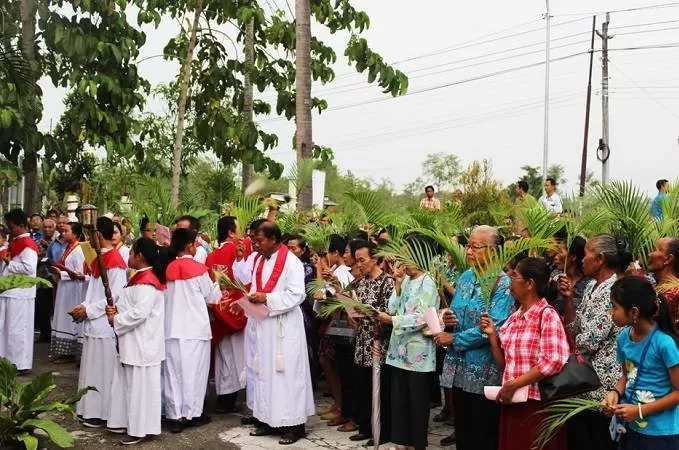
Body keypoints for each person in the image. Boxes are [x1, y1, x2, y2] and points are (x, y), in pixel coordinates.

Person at [434, 225, 515, 450]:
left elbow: (495, 325)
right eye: (468, 246)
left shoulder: (503, 284)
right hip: (458, 365)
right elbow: (458, 310)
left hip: (483, 368)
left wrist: (454, 339)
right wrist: (450, 319)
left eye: (475, 247)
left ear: (492, 250)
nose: (469, 251)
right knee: (463, 426)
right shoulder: (466, 277)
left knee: (482, 428)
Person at [480, 257, 570, 450]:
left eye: (515, 277)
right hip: (513, 400)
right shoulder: (514, 317)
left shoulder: (547, 315)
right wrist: (492, 339)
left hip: (537, 404)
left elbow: (553, 361)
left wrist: (515, 384)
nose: (510, 281)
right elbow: (505, 364)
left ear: (530, 284)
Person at [242, 222, 314, 445]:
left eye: (259, 240)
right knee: (264, 371)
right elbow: (256, 288)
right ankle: (266, 419)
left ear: (274, 239)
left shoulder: (291, 262)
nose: (256, 245)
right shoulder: (260, 260)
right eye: (254, 240)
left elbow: (297, 294)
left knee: (287, 375)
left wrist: (268, 298)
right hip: (264, 325)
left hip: (284, 327)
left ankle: (294, 425)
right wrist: (247, 302)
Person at [560, 234, 626, 450]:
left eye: (587, 254)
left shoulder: (612, 291)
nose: (581, 259)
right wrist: (569, 298)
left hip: (602, 385)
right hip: (585, 382)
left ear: (600, 259)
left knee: (596, 441)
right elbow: (575, 326)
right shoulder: (591, 287)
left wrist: (570, 343)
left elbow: (588, 340)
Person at [604, 276, 679, 450]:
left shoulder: (664, 344)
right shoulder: (624, 337)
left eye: (614, 307)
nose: (611, 313)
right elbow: (627, 375)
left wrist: (639, 411)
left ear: (634, 312)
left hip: (661, 433)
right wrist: (615, 392)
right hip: (631, 427)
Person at [379, 238, 440, 450]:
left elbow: (424, 317)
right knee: (399, 400)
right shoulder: (405, 280)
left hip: (418, 353)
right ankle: (400, 441)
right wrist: (396, 284)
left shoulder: (428, 282)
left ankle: (417, 444)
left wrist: (392, 321)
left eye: (408, 255)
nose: (404, 261)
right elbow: (393, 307)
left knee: (417, 402)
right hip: (398, 349)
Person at [105, 238, 167, 445]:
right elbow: (128, 304)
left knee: (141, 388)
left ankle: (141, 428)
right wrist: (116, 310)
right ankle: (129, 422)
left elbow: (140, 313)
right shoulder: (138, 278)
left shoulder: (147, 281)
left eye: (131, 252)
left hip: (143, 344)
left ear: (140, 256)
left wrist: (117, 319)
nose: (129, 256)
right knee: (131, 385)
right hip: (134, 341)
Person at [71, 217, 128, 428]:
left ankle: (102, 412)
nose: (87, 239)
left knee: (104, 369)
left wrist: (89, 310)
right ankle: (89, 408)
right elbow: (94, 292)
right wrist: (82, 306)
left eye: (89, 235)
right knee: (92, 368)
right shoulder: (99, 259)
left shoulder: (115, 262)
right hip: (94, 321)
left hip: (105, 323)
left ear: (98, 235)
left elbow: (115, 297)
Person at [164, 227, 221, 433]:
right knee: (194, 374)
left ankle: (174, 415)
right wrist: (218, 282)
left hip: (171, 329)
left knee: (173, 374)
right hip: (195, 329)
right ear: (190, 246)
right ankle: (192, 413)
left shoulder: (168, 268)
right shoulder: (199, 270)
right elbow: (212, 298)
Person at [348, 240, 394, 446]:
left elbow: (390, 313)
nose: (359, 265)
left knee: (381, 388)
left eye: (362, 260)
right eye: (357, 261)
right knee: (363, 385)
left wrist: (372, 315)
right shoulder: (360, 282)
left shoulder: (388, 282)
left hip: (380, 343)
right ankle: (365, 426)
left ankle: (383, 430)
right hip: (362, 340)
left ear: (375, 259)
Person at [206, 216, 248, 414]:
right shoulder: (238, 250)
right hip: (238, 308)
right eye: (239, 228)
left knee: (224, 355)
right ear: (231, 232)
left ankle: (225, 397)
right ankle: (238, 396)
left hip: (220, 309)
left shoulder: (211, 256)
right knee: (239, 355)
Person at [0, 209, 39, 374]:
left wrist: (10, 263)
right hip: (10, 292)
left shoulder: (28, 245)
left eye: (12, 226)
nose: (10, 230)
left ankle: (19, 363)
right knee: (7, 329)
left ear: (22, 225)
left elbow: (29, 268)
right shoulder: (15, 241)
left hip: (21, 294)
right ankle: (6, 361)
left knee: (17, 330)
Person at [49, 222, 86, 364]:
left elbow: (79, 272)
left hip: (73, 289)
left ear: (75, 234)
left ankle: (70, 351)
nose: (63, 234)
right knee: (61, 315)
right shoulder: (68, 247)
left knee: (68, 318)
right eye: (62, 231)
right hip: (64, 287)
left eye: (66, 231)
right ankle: (63, 350)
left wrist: (63, 273)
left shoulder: (79, 250)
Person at [35, 218, 58, 343]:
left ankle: (56, 334)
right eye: (45, 227)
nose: (47, 229)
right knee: (42, 307)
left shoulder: (58, 241)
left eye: (50, 227)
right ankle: (45, 333)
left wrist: (48, 247)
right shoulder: (37, 241)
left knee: (54, 307)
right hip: (42, 278)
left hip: (55, 278)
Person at [649, 238, 679, 325]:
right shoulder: (656, 286)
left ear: (668, 259)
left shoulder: (673, 293)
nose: (649, 254)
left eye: (655, 250)